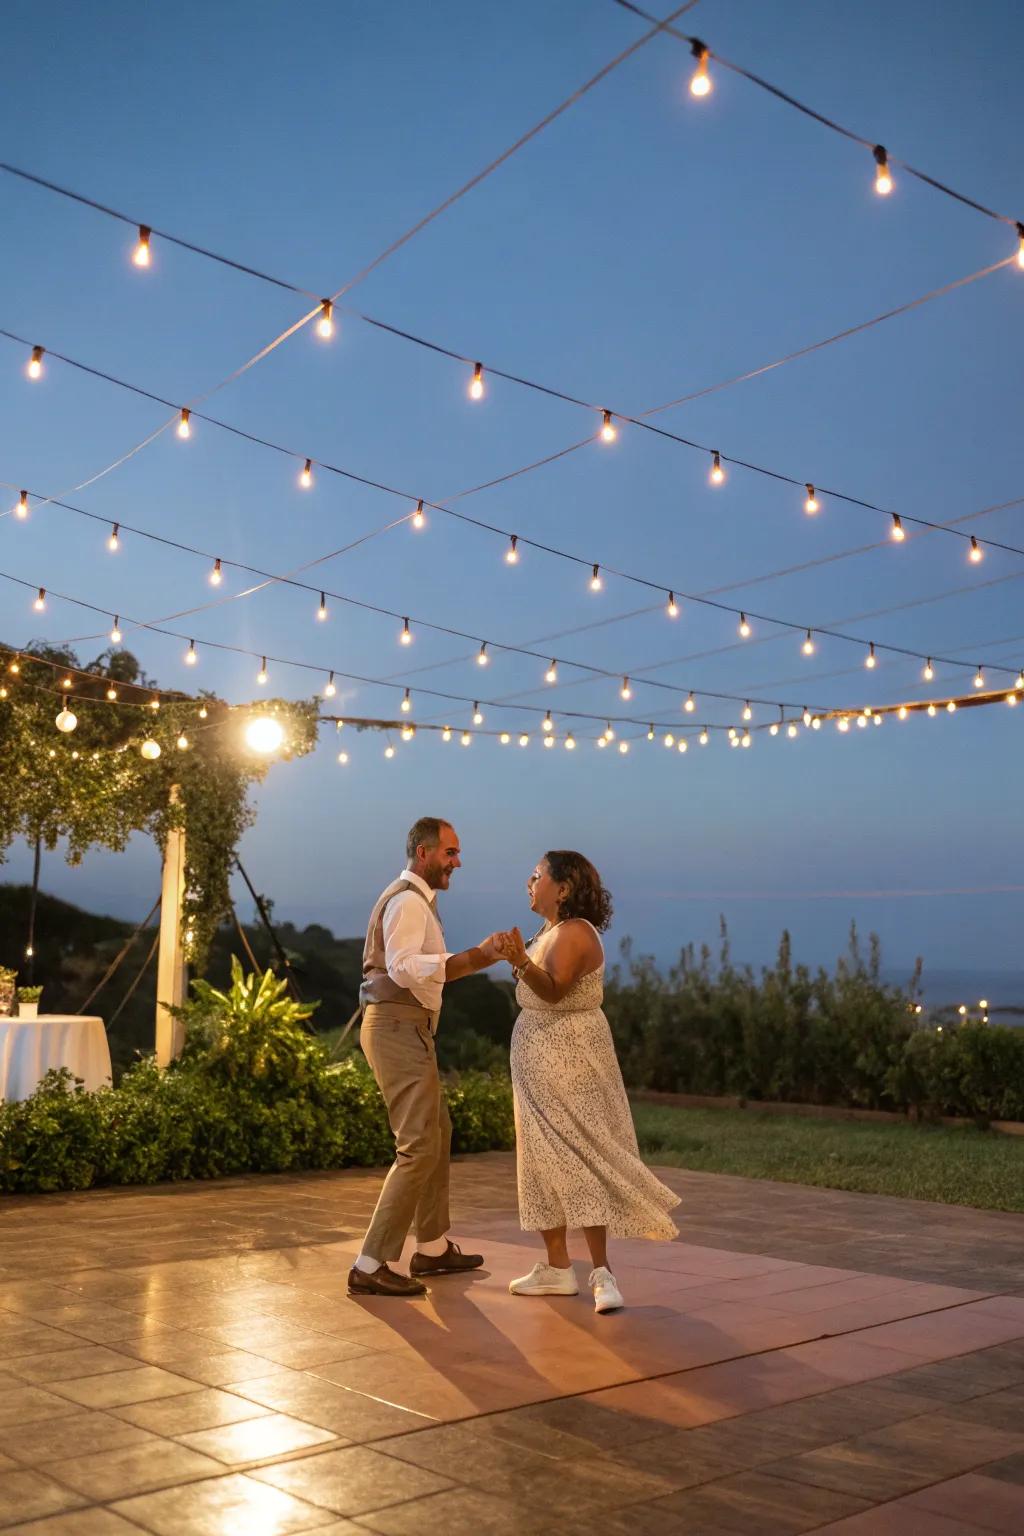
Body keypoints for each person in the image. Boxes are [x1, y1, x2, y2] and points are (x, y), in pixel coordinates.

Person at [495, 851, 679, 1313]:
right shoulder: (550, 931)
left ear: (563, 888)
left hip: (568, 1062)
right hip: (540, 1064)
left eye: (537, 876)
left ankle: (602, 1273)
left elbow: (554, 989)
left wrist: (520, 962)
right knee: (540, 1163)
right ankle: (558, 1268)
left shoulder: (575, 932)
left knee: (579, 1156)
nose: (529, 882)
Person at [348, 817, 503, 1297]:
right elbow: (401, 965)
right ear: (423, 853)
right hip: (397, 1027)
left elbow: (415, 970)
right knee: (417, 1144)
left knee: (437, 1131)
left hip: (407, 1027)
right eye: (450, 853)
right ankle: (370, 1263)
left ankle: (432, 1249)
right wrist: (475, 957)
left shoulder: (416, 902)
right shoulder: (408, 903)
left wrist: (477, 957)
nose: (457, 861)